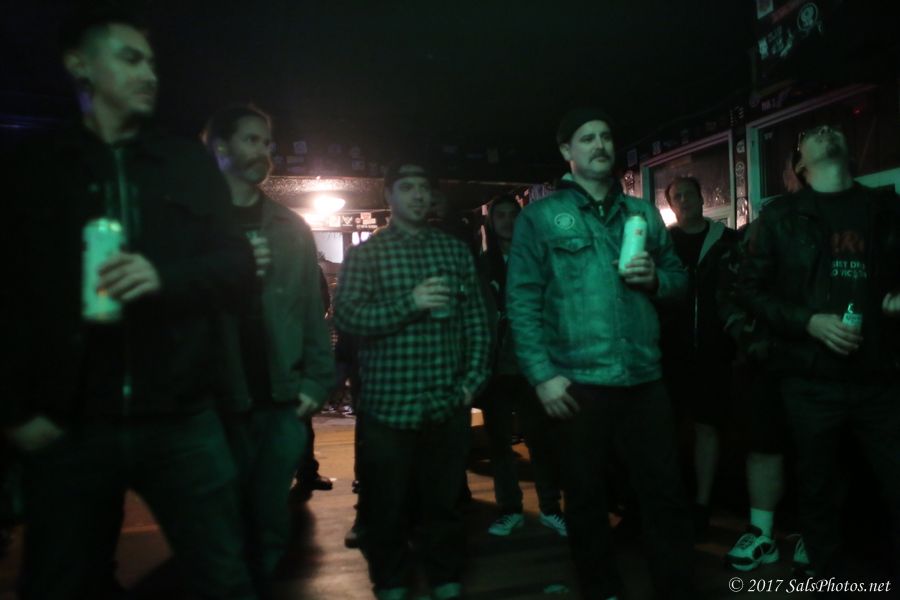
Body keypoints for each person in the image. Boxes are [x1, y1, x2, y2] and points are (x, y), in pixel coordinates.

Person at [2, 7, 256, 599]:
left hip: (181, 415)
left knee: (225, 579)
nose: (149, 74)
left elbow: (238, 268)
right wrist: (11, 410)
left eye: (152, 63)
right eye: (130, 59)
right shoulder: (34, 168)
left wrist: (163, 277)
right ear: (79, 64)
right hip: (71, 422)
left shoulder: (185, 163)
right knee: (63, 583)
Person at [506, 107, 695, 600]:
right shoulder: (540, 217)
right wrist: (542, 376)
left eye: (606, 137)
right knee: (586, 497)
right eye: (587, 138)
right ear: (566, 151)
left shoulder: (642, 213)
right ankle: (601, 589)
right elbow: (521, 301)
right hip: (577, 381)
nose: (599, 145)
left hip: (643, 377)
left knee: (664, 494)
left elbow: (680, 282)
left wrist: (656, 280)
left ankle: (674, 587)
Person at [734, 123, 900, 587]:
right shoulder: (781, 217)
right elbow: (747, 289)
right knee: (818, 488)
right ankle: (830, 584)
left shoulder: (887, 209)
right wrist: (808, 320)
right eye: (810, 132)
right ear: (800, 166)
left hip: (879, 374)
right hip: (809, 377)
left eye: (831, 127)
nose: (825, 129)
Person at [333, 161, 490, 600]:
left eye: (424, 187)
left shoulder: (455, 251)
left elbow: (478, 322)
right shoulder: (366, 254)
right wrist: (411, 302)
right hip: (388, 405)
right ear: (389, 196)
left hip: (447, 401)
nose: (418, 195)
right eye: (407, 187)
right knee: (386, 504)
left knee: (444, 502)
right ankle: (390, 579)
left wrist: (472, 381)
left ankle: (444, 573)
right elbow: (346, 316)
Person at [205, 104, 336, 596]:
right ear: (219, 147)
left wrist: (316, 381)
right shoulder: (193, 222)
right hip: (214, 404)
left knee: (269, 525)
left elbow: (310, 309)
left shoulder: (289, 227)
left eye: (266, 142)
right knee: (217, 529)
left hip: (280, 401)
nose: (264, 151)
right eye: (250, 140)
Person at [478, 194, 566, 538]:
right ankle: (509, 509)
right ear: (491, 222)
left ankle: (550, 507)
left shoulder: (538, 258)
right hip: (495, 363)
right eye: (500, 215)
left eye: (512, 214)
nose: (507, 221)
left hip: (534, 362)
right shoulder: (482, 265)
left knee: (541, 440)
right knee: (500, 444)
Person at [659, 176, 738, 535]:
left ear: (702, 198)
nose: (684, 200)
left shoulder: (727, 241)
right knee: (669, 428)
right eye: (677, 196)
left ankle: (703, 504)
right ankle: (674, 499)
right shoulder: (662, 244)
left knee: (708, 426)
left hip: (714, 350)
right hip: (669, 352)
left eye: (689, 193)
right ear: (671, 205)